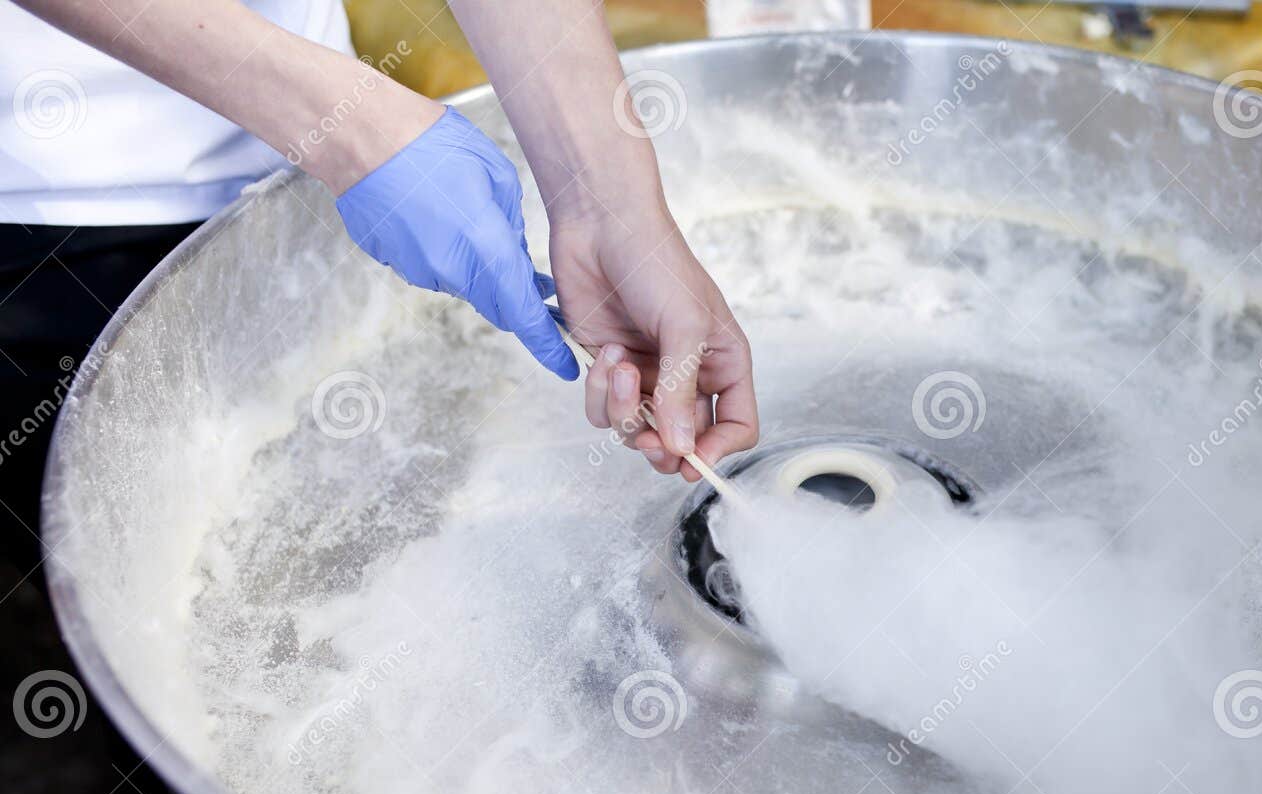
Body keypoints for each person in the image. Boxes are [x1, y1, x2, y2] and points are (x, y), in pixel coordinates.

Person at [1, 0, 757, 569]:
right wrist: (340, 120)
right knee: (161, 584)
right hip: (58, 201)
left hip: (313, 125)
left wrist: (608, 199)